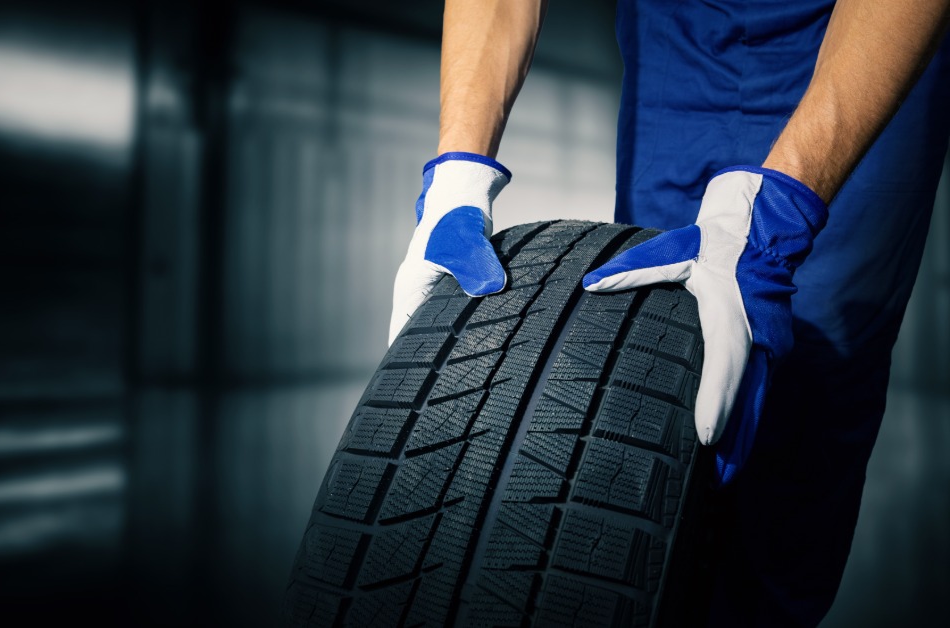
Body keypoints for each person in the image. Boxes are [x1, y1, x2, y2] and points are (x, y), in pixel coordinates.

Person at [388, 1, 950, 625]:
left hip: (854, 36)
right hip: (678, 38)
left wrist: (780, 214)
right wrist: (457, 175)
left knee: (801, 393)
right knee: (651, 366)